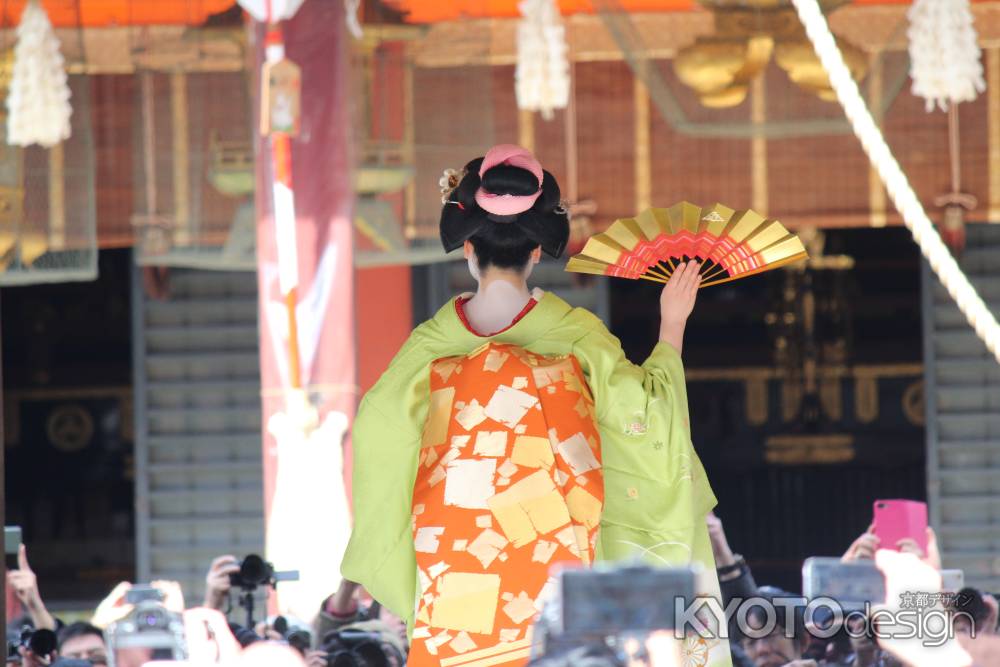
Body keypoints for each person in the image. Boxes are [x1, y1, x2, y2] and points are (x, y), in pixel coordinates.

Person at [341, 145, 730, 666]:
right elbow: (649, 425)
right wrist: (673, 323)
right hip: (559, 580)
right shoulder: (574, 335)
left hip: (458, 585)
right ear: (537, 253)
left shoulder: (430, 345)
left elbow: (378, 434)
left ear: (468, 251)